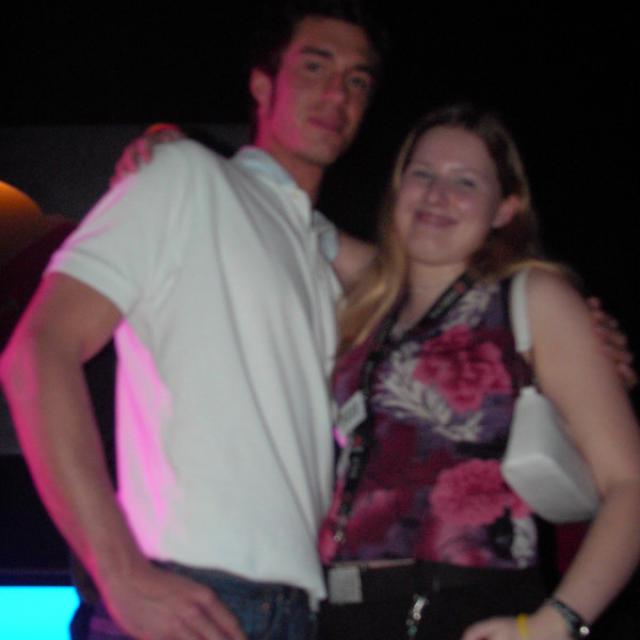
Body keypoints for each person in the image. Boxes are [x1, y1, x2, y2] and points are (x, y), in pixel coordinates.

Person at [0, 2, 385, 639]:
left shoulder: (317, 258)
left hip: (298, 610)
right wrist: (118, 570)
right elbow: (36, 353)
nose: (337, 94)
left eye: (357, 80)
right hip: (191, 593)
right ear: (262, 84)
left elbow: (436, 285)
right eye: (315, 67)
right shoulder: (185, 176)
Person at [316, 104, 640, 640]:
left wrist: (555, 624)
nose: (437, 194)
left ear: (505, 209)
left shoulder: (533, 298)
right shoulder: (370, 305)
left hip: (467, 608)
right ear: (398, 190)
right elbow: (286, 212)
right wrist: (172, 149)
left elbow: (629, 483)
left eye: (464, 181)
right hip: (340, 614)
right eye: (422, 174)